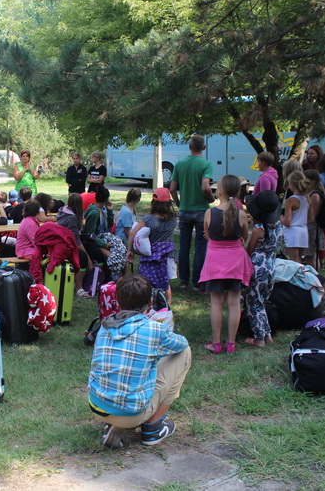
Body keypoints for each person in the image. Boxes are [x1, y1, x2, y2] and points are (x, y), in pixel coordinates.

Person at [88, 274, 191, 448]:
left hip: (98, 407)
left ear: (118, 301)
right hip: (131, 413)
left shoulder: (105, 326)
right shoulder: (154, 329)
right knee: (185, 353)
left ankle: (113, 424)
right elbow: (182, 344)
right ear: (150, 302)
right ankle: (153, 427)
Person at [198, 175, 252, 355]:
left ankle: (216, 344)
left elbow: (208, 235)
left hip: (215, 262)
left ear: (219, 191)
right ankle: (231, 344)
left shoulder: (209, 213)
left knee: (216, 303)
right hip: (235, 263)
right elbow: (243, 237)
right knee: (234, 304)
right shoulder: (241, 214)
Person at [169, 135, 214, 291]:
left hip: (185, 209)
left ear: (190, 147)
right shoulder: (206, 165)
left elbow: (172, 189)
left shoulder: (180, 164)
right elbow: (206, 187)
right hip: (202, 210)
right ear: (204, 148)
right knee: (200, 247)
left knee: (184, 246)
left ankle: (183, 281)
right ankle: (197, 282)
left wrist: (179, 203)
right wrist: (211, 199)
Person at [244, 190, 283, 347]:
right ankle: (267, 334)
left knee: (253, 303)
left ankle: (259, 338)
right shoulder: (278, 225)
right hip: (271, 266)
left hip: (257, 269)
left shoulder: (258, 230)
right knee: (262, 302)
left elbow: (250, 249)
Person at [127, 187, 177, 304]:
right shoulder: (173, 219)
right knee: (165, 281)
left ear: (154, 202)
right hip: (168, 254)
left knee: (146, 281)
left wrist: (130, 250)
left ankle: (147, 303)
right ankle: (167, 305)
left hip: (151, 255)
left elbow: (132, 234)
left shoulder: (148, 219)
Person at [56, 193, 93, 298]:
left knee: (93, 251)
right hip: (64, 245)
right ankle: (78, 286)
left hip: (64, 242)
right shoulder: (71, 218)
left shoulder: (63, 211)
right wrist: (88, 258)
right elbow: (75, 240)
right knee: (83, 257)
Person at [281, 171, 312, 263]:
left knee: (293, 260)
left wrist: (280, 217)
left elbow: (287, 222)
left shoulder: (290, 200)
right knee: (299, 259)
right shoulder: (307, 199)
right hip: (303, 230)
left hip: (293, 231)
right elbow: (311, 218)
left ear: (291, 184)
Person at [83, 186, 114, 267]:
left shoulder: (103, 209)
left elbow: (109, 226)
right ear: (107, 199)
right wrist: (104, 244)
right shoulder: (94, 212)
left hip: (103, 238)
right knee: (112, 257)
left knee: (121, 251)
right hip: (95, 241)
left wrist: (110, 211)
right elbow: (90, 234)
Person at [302, 169, 325, 270]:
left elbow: (312, 216)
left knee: (311, 256)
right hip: (310, 228)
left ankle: (315, 276)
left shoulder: (314, 196)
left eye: (304, 179)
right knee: (310, 256)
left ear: (313, 181)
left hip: (312, 229)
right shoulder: (310, 194)